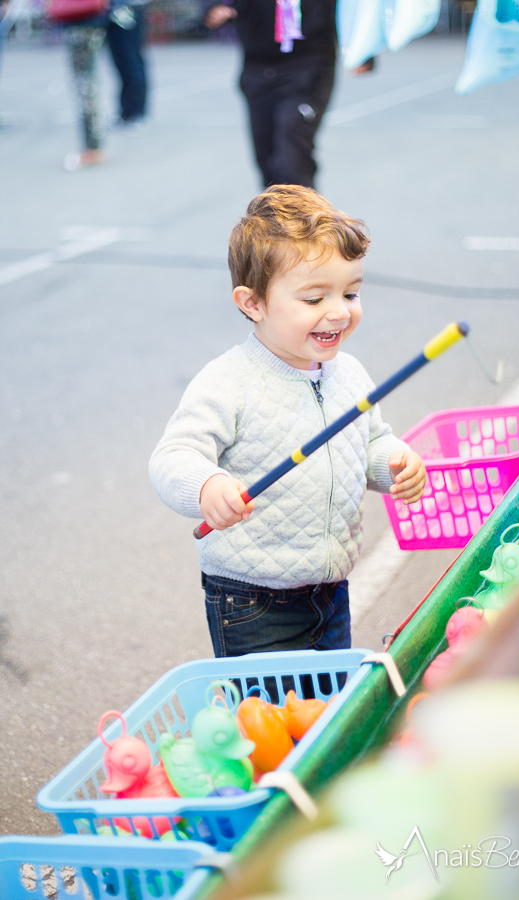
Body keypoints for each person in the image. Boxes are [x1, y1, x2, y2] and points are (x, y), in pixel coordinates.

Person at [149, 185, 426, 657]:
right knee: (271, 721)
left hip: (331, 588)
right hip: (252, 600)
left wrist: (394, 463)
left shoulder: (350, 373)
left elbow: (371, 439)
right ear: (253, 303)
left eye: (351, 292)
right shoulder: (228, 382)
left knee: (326, 714)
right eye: (314, 299)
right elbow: (173, 456)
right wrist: (207, 487)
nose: (339, 311)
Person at [203, 0, 373, 188]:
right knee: (266, 158)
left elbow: (352, 7)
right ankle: (275, 214)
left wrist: (363, 50)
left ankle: (302, 214)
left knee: (292, 149)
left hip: (309, 67)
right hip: (258, 69)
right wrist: (213, 6)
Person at [63, 12, 108, 170]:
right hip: (86, 23)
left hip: (82, 23)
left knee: (85, 88)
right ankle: (93, 146)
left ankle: (92, 148)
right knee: (86, 86)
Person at [107, 0, 149, 128]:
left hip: (127, 9)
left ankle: (136, 113)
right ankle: (127, 112)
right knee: (122, 63)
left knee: (131, 62)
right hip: (112, 9)